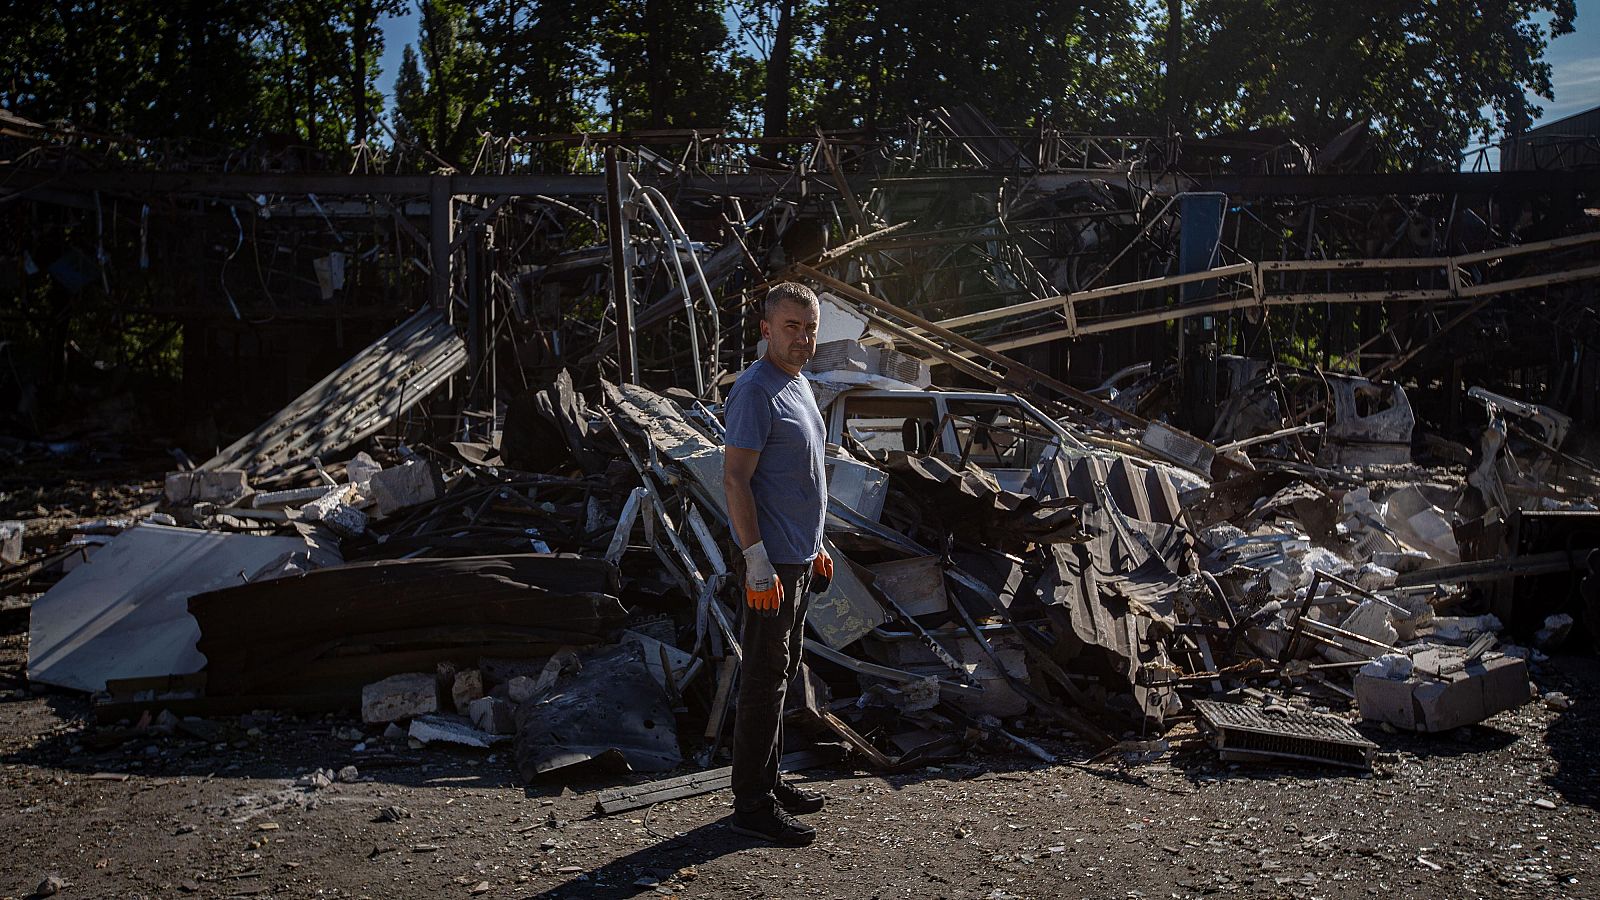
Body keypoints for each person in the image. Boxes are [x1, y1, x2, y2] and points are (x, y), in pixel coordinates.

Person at [721, 281, 835, 846]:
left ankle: (770, 780)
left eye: (810, 328)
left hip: (799, 557)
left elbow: (802, 474)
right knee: (764, 679)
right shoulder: (755, 391)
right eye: (792, 327)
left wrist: (818, 544)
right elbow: (735, 479)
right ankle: (752, 804)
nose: (803, 339)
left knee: (782, 673)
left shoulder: (799, 384)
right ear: (766, 329)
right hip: (771, 564)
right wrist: (756, 561)